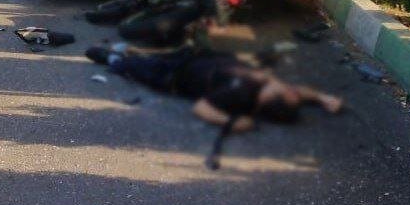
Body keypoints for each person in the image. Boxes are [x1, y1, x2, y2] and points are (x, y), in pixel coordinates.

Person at [86, 43, 342, 131]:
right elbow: (297, 94)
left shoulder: (240, 95)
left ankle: (114, 60)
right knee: (156, 55)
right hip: (195, 59)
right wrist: (323, 98)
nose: (288, 87)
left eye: (283, 91)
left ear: (270, 99)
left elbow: (203, 108)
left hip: (174, 77)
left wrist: (233, 123)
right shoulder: (268, 87)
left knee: (138, 67)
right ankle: (133, 55)